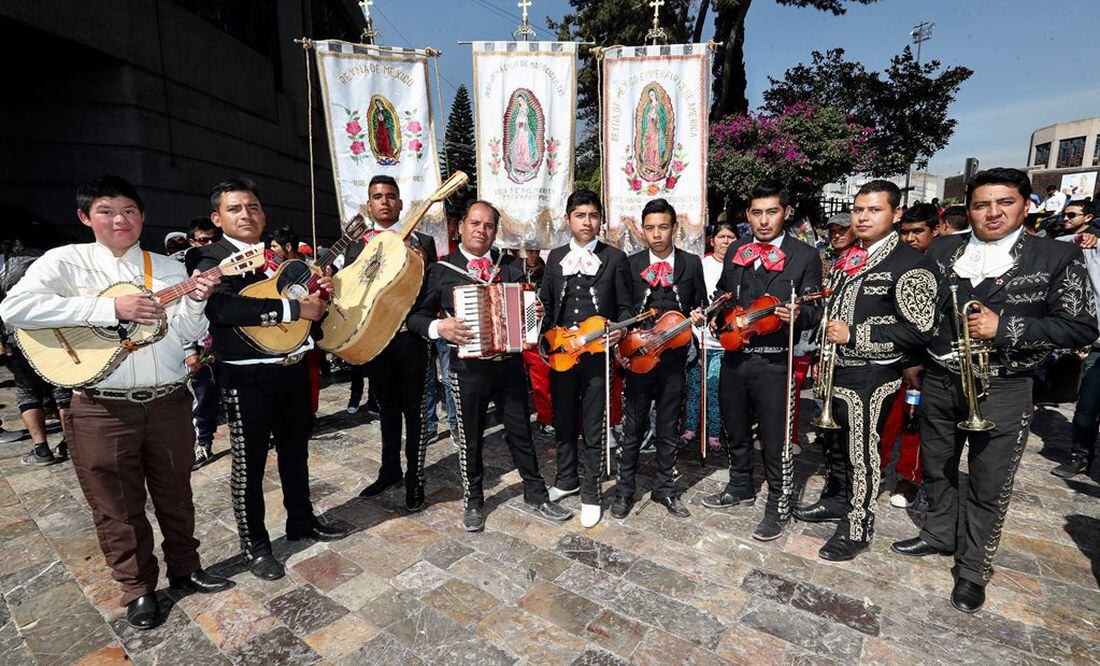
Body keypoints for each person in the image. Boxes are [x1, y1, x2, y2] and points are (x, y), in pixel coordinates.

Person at [0, 175, 231, 629]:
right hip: (100, 407)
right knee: (116, 505)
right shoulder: (64, 261)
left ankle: (185, 568)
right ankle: (138, 588)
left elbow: (184, 334)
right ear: (86, 217)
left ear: (142, 217)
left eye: (129, 210)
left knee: (177, 495)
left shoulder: (167, 267)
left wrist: (197, 303)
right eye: (106, 211)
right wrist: (109, 309)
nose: (119, 220)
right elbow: (14, 309)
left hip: (167, 401)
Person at [892, 168, 1098, 613]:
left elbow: (1082, 326)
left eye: (1004, 202)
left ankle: (972, 570)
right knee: (936, 466)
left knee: (989, 483)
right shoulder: (944, 247)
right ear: (969, 209)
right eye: (982, 204)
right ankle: (939, 534)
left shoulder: (1054, 256)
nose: (992, 212)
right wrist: (911, 360)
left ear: (1026, 206)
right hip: (941, 380)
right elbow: (916, 309)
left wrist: (1004, 327)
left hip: (1004, 386)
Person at [188, 176, 348, 582]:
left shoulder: (275, 258)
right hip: (247, 379)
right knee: (250, 464)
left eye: (253, 207)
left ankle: (302, 520)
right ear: (217, 218)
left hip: (293, 370)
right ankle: (255, 545)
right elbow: (222, 308)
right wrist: (295, 310)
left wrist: (322, 296)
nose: (247, 214)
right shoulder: (210, 259)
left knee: (296, 453)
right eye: (236, 208)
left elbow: (311, 311)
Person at [796, 179, 940, 562]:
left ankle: (858, 525)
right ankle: (836, 499)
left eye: (874, 210)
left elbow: (919, 328)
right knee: (836, 447)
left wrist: (855, 333)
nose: (863, 217)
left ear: (896, 214)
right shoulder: (849, 256)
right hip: (833, 369)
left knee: (862, 452)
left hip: (870, 374)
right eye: (859, 209)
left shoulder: (911, 264)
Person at [407, 200, 572, 530]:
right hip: (467, 370)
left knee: (521, 432)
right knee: (470, 437)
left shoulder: (508, 266)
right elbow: (414, 318)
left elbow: (527, 309)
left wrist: (533, 313)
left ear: (495, 231)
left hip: (508, 365)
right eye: (475, 223)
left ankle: (535, 493)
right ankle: (474, 500)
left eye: (488, 226)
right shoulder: (441, 270)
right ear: (461, 227)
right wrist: (441, 328)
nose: (481, 231)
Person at [702, 181, 823, 541]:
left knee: (775, 439)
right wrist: (715, 312)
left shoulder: (805, 256)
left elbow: (815, 312)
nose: (764, 220)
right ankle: (739, 485)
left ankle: (778, 503)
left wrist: (798, 315)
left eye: (772, 212)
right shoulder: (737, 248)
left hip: (775, 362)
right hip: (735, 356)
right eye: (757, 213)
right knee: (734, 429)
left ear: (786, 212)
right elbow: (724, 292)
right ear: (748, 215)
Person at [540, 189, 632, 528]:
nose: (587, 222)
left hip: (596, 354)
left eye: (593, 215)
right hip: (563, 352)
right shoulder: (555, 257)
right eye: (580, 215)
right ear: (568, 220)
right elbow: (548, 304)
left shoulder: (615, 258)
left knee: (594, 424)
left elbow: (626, 307)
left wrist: (620, 330)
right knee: (563, 418)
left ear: (600, 220)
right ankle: (566, 479)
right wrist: (539, 315)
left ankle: (592, 492)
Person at [611, 199, 706, 521]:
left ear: (674, 228)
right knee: (633, 427)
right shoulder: (630, 262)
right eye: (650, 228)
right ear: (642, 230)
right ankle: (625, 490)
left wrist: (700, 316)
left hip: (675, 359)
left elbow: (701, 305)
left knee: (668, 427)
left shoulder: (691, 264)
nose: (656, 234)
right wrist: (626, 342)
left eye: (663, 227)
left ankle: (664, 488)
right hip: (639, 357)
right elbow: (622, 308)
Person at [348, 175, 438, 511]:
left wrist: (421, 264)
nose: (384, 201)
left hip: (411, 338)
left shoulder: (423, 242)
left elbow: (431, 291)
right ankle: (390, 470)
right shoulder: (357, 245)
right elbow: (349, 290)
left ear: (400, 203)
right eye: (377, 196)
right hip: (376, 340)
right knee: (386, 408)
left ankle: (415, 477)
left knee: (415, 411)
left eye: (390, 196)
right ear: (369, 205)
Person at [877, 203, 939, 508]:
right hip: (892, 358)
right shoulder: (890, 262)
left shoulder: (942, 265)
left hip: (928, 363)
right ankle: (875, 468)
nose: (910, 238)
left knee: (915, 423)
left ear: (935, 231)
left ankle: (909, 478)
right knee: (886, 421)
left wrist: (916, 361)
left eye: (918, 232)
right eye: (905, 232)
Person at [1, 235, 72, 460]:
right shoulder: (35, 259)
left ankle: (41, 448)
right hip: (50, 331)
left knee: (27, 389)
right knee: (62, 388)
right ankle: (70, 443)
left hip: (15, 335)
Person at [1053, 199, 1100, 478]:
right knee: (1086, 409)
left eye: (1072, 215)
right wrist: (1083, 235)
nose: (1066, 218)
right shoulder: (1090, 245)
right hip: (1098, 345)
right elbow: (1056, 243)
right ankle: (1080, 456)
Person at [683, 220, 736, 450]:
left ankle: (714, 433)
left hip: (725, 340)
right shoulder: (701, 265)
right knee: (695, 386)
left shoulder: (737, 266)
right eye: (721, 237)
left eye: (730, 237)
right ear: (712, 240)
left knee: (715, 387)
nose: (725, 241)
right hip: (700, 339)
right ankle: (690, 429)